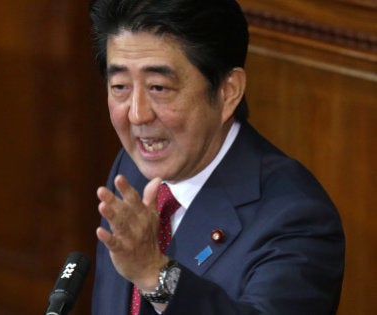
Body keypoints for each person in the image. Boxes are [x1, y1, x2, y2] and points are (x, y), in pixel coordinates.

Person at [88, 0, 345, 314]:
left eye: (158, 87)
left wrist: (156, 276)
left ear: (228, 92)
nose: (137, 114)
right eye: (119, 87)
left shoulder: (297, 218)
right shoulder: (132, 170)